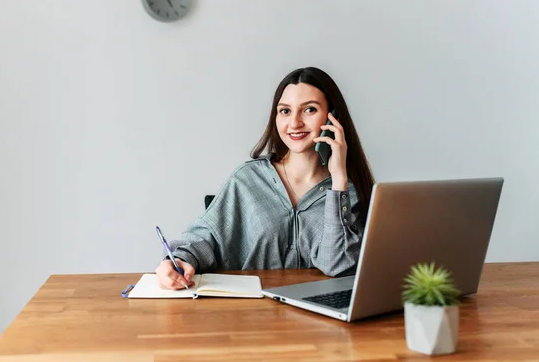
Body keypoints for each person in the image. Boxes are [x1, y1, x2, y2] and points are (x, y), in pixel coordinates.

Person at [155, 66, 375, 290]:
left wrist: (339, 180)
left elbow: (337, 265)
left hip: (323, 317)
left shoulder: (349, 192)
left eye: (309, 110)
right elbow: (204, 236)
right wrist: (179, 260)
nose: (295, 123)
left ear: (333, 117)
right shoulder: (248, 180)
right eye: (285, 111)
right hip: (254, 316)